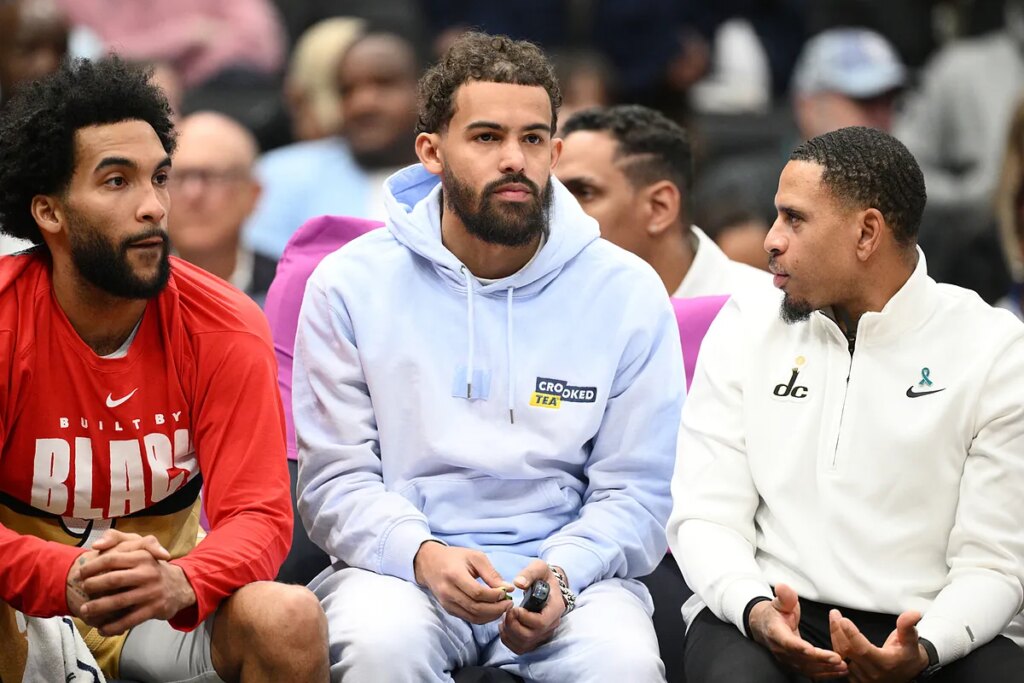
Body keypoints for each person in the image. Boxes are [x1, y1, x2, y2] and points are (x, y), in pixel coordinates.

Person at [293, 32, 683, 682]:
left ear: (555, 152)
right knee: (380, 648)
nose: (513, 159)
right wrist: (421, 553)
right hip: (400, 570)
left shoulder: (626, 290)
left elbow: (638, 491)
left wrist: (563, 573)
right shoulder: (350, 283)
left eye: (533, 139)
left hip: (569, 575)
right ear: (431, 152)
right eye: (485, 137)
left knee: (625, 664)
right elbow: (334, 481)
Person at [0, 58, 328, 682]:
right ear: (49, 212)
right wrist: (63, 575)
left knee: (287, 617)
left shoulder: (224, 323)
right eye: (116, 181)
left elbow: (259, 516)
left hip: (157, 610)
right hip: (17, 605)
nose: (153, 206)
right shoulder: (6, 320)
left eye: (159, 178)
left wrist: (183, 581)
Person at [669, 126, 1024, 682]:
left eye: (794, 219)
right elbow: (705, 515)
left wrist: (926, 648)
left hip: (928, 624)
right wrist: (754, 609)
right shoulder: (744, 323)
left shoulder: (995, 348)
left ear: (866, 233)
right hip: (770, 607)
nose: (771, 240)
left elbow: (995, 561)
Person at [557, 104, 769, 297]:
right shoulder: (546, 306)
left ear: (660, 208)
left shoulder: (768, 314)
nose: (555, 208)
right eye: (552, 193)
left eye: (585, 193)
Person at [243, 30, 420, 260]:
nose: (362, 104)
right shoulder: (282, 175)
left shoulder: (456, 178)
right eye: (347, 90)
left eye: (384, 83)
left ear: (425, 90)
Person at [168, 111, 275, 306]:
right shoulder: (131, 289)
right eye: (179, 176)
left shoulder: (283, 290)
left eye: (211, 176)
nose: (193, 194)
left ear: (253, 195)